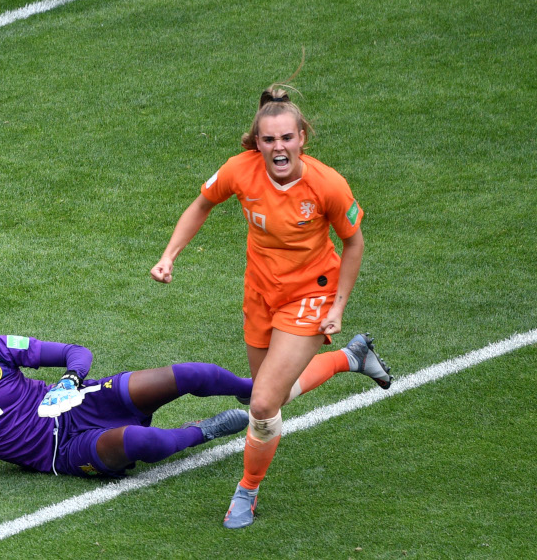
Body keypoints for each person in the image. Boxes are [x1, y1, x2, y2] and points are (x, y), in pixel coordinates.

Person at [150, 83, 392, 529]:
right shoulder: (240, 170)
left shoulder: (327, 185)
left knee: (261, 404)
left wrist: (337, 306)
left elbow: (353, 243)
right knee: (271, 393)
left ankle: (247, 491)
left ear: (302, 137)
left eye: (286, 138)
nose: (278, 147)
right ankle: (350, 358)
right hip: (260, 293)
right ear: (257, 142)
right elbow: (201, 204)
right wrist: (169, 256)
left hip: (312, 293)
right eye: (269, 139)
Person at [0, 309, 254, 495]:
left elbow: (75, 352)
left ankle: (251, 388)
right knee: (143, 441)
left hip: (79, 402)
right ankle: (202, 432)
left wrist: (70, 380)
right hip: (60, 451)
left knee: (190, 374)